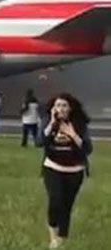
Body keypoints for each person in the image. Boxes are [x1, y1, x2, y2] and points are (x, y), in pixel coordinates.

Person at [41, 93, 93, 249]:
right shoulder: (49, 122)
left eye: (64, 105)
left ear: (70, 108)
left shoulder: (79, 124)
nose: (61, 108)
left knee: (66, 205)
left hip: (74, 171)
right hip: (53, 168)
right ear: (52, 108)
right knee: (55, 201)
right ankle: (53, 237)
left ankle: (61, 238)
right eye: (57, 105)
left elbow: (87, 149)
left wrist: (73, 134)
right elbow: (39, 141)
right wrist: (51, 124)